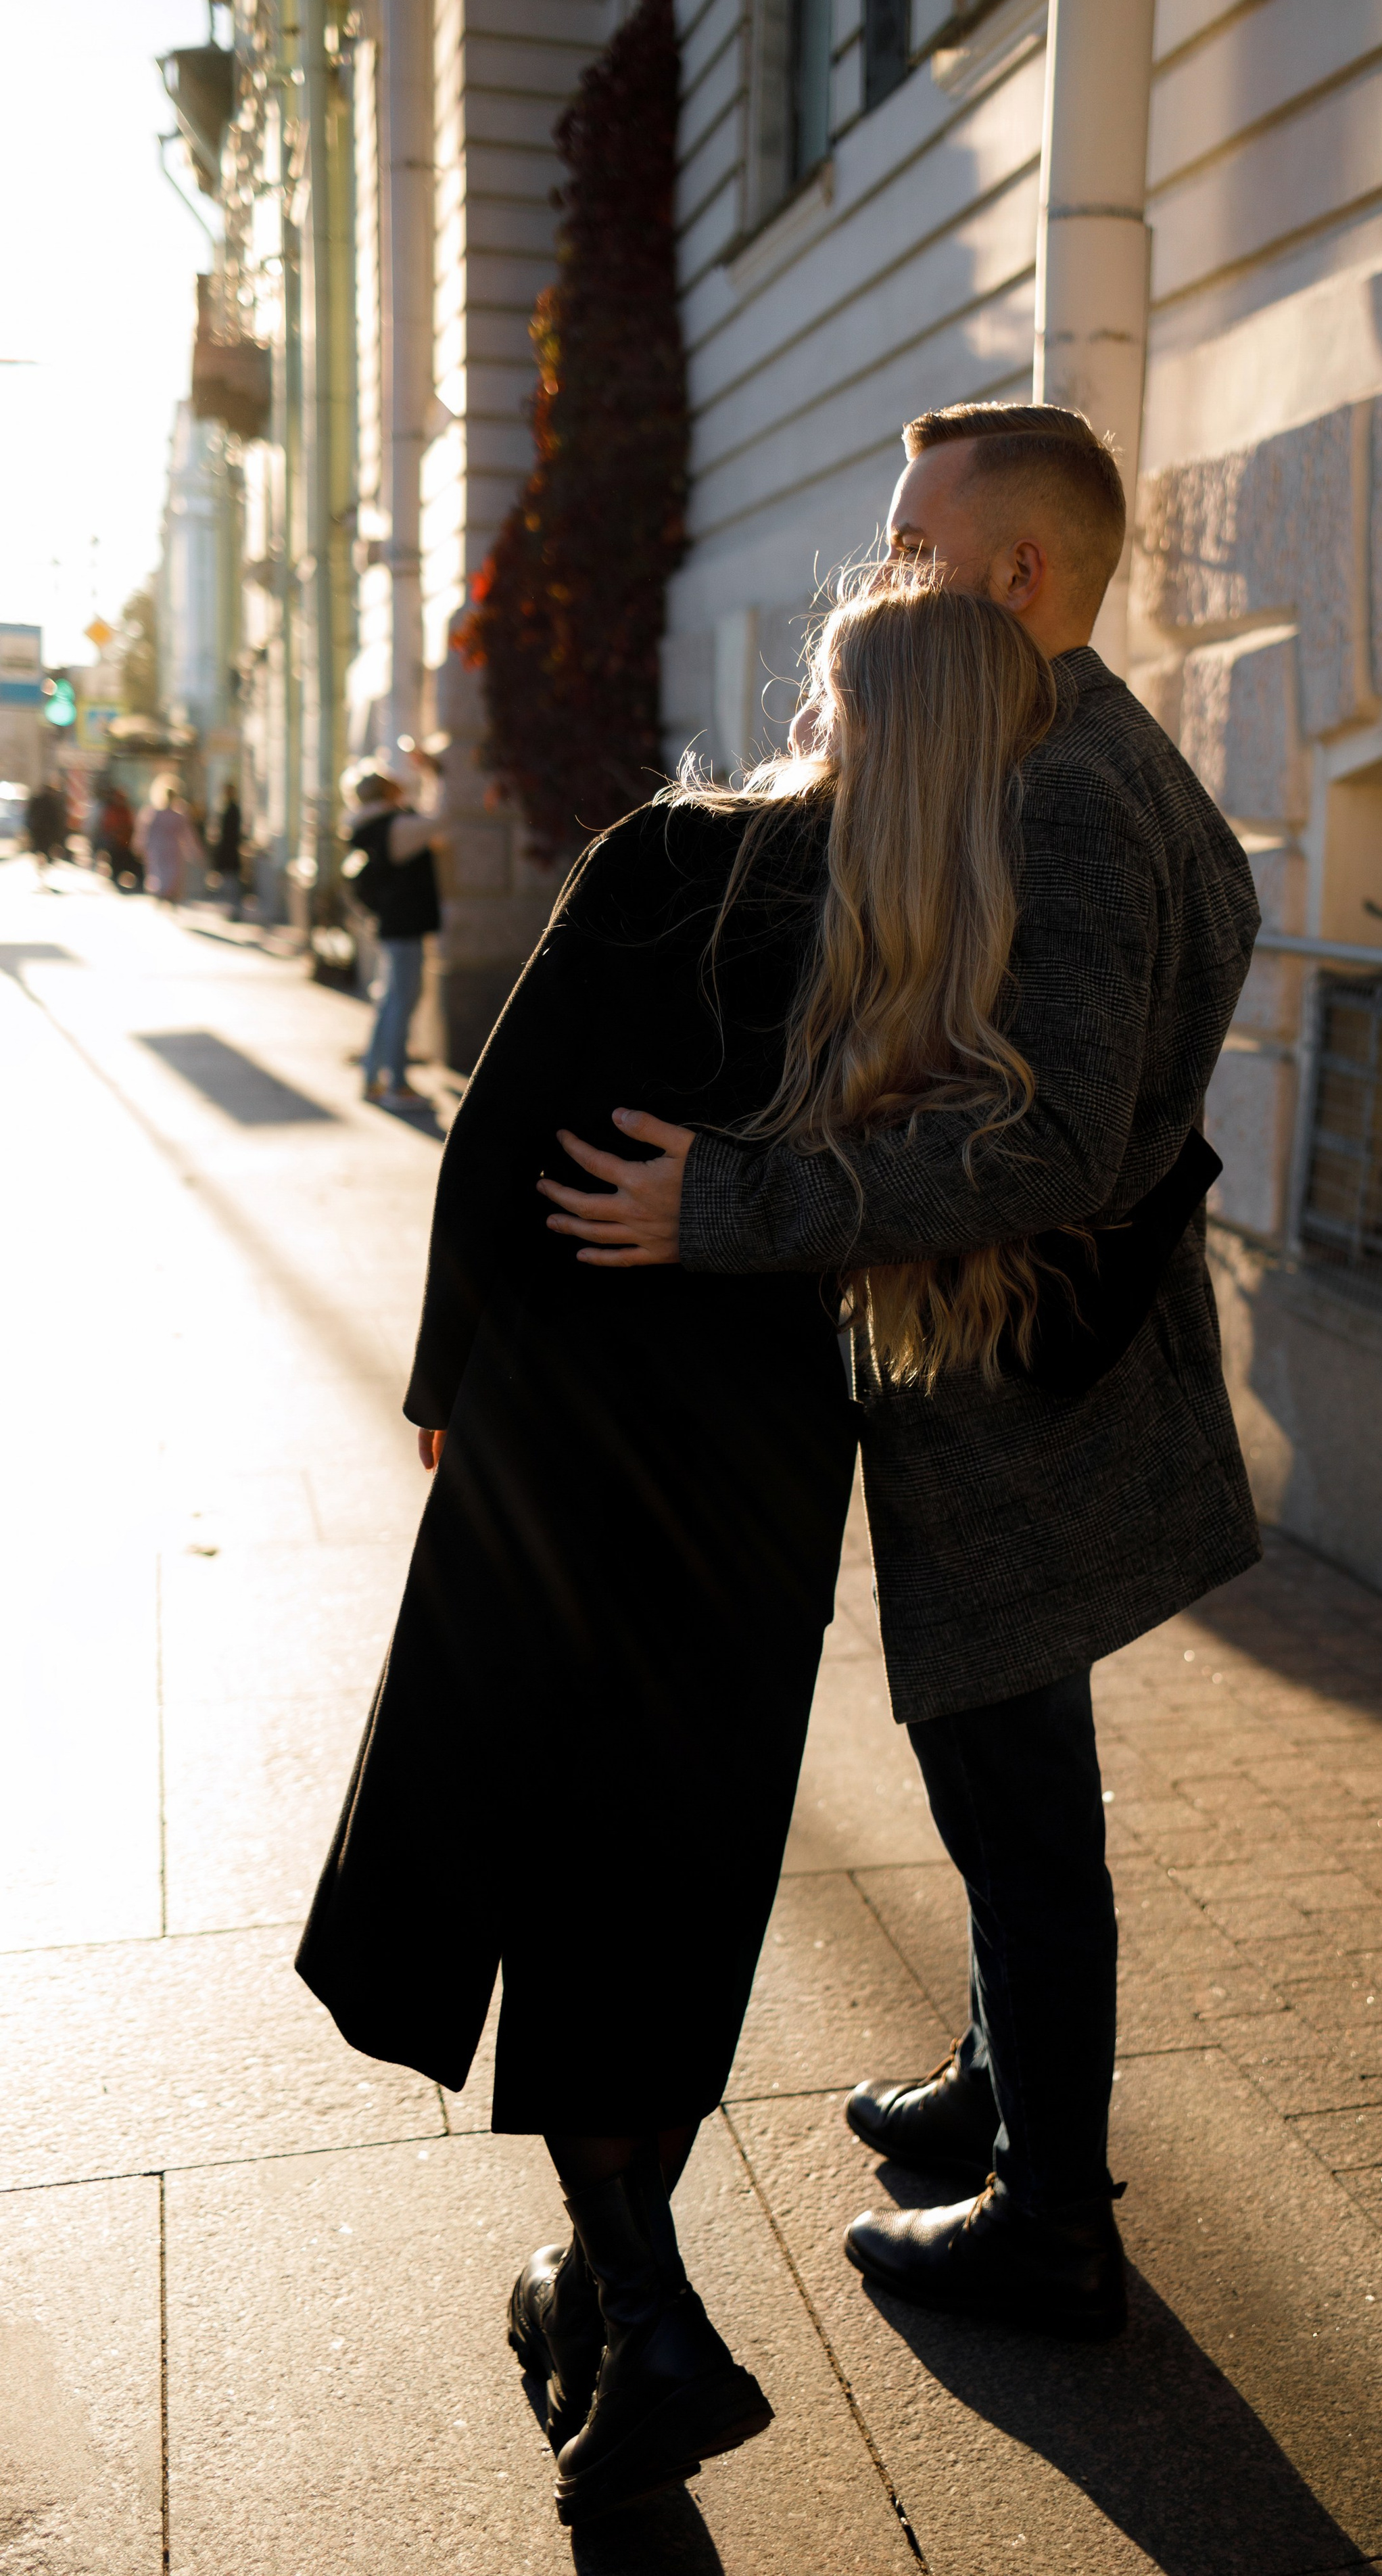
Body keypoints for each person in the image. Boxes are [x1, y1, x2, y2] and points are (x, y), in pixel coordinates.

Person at [297, 573, 1068, 2526]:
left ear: (836, 700)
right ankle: (617, 2295)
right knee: (672, 1863)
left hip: (566, 1426)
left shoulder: (680, 857)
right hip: (763, 1463)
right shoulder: (961, 949)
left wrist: (448, 1376)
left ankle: (646, 2317)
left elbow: (499, 1137)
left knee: (541, 1848)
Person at [534, 401, 1263, 2343]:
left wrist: (731, 1203)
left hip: (1037, 1408)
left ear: (1021, 576)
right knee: (1005, 1787)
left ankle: (1051, 2219)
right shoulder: (1073, 743)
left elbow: (1052, 1153)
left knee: (1019, 1806)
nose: (884, 579)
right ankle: (999, 2081)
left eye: (915, 548)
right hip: (1041, 1387)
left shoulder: (1064, 797)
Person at [341, 755, 442, 1107]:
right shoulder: (395, 826)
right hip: (405, 926)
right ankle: (396, 1084)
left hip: (391, 924)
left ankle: (373, 1079)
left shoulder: (366, 827)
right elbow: (440, 820)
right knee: (401, 1003)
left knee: (389, 1003)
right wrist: (434, 773)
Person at [137, 779, 197, 904]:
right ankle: (163, 893)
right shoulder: (158, 814)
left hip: (168, 849)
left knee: (169, 872)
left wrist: (192, 851)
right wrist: (143, 845)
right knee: (161, 871)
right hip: (163, 848)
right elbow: (148, 832)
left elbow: (186, 835)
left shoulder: (175, 815)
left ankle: (167, 894)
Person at [210, 781, 245, 915]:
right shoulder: (227, 808)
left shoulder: (233, 809)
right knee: (228, 880)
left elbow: (233, 832)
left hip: (230, 850)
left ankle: (234, 909)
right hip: (227, 850)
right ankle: (230, 908)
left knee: (232, 881)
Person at [24, 780, 68, 880]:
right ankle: (42, 866)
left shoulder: (39, 800)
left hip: (41, 832)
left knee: (42, 851)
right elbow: (58, 820)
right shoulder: (52, 802)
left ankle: (41, 866)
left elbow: (30, 816)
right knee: (44, 851)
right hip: (45, 833)